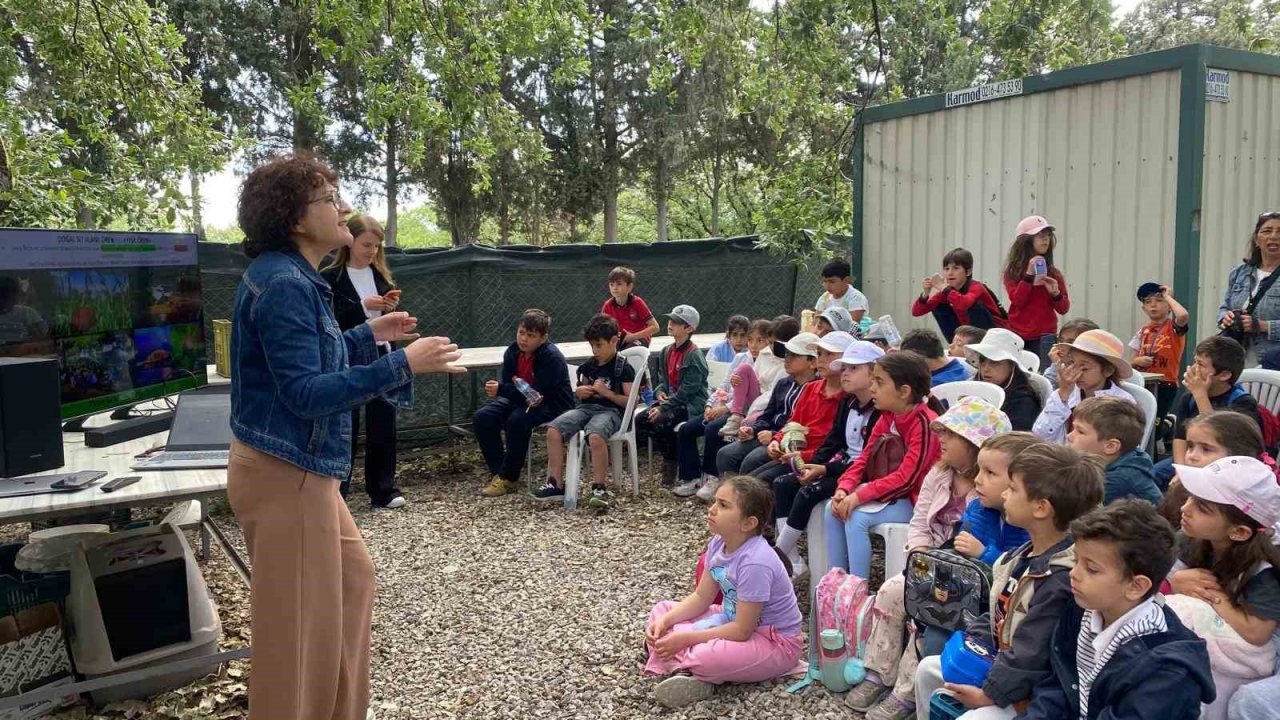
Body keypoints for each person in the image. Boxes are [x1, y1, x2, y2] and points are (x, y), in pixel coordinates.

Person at [227, 154, 464, 720]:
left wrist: (369, 333)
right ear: (293, 217)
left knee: (353, 582)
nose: (343, 206)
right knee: (297, 636)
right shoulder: (283, 283)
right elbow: (306, 393)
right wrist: (402, 363)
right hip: (288, 476)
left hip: (302, 471)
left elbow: (316, 360)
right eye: (328, 197)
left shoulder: (293, 277)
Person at [850, 431, 1037, 720]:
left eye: (990, 473)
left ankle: (907, 692)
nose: (978, 480)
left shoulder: (1025, 524)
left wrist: (984, 553)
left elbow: (1011, 570)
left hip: (984, 601)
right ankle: (878, 671)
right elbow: (956, 550)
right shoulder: (980, 506)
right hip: (956, 580)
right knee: (892, 591)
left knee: (932, 614)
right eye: (980, 471)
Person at [914, 443, 1104, 720]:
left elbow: (1031, 653)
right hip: (1005, 667)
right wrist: (970, 645)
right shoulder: (1020, 556)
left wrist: (988, 695)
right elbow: (995, 615)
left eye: (1013, 489)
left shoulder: (1060, 578)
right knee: (930, 669)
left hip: (1037, 693)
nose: (1005, 494)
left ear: (1041, 508)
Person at [1019, 500, 1213, 720]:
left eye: (1091, 569)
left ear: (1135, 586)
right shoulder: (1082, 608)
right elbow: (1059, 685)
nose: (1074, 573)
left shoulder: (1166, 672)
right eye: (1076, 560)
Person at [644, 476, 805, 708]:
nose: (711, 510)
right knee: (662, 610)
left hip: (773, 641)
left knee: (708, 656)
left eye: (723, 505)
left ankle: (681, 661)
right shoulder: (718, 543)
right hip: (730, 618)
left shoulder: (756, 562)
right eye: (715, 502)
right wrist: (666, 621)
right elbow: (701, 597)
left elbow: (742, 630)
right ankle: (684, 663)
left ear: (748, 523)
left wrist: (685, 637)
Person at [1168, 456, 1280, 719]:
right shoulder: (1192, 539)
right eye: (1190, 497)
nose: (1185, 508)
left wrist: (1211, 595)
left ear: (1239, 532)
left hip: (1254, 661)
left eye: (1203, 507)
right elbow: (1163, 579)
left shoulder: (1263, 569)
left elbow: (1257, 633)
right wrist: (1174, 582)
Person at [827, 351, 944, 578]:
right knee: (831, 509)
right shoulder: (887, 415)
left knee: (856, 517)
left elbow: (907, 478)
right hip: (892, 493)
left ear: (904, 392)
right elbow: (863, 459)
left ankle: (856, 589)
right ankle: (834, 581)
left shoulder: (925, 424)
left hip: (917, 501)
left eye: (879, 382)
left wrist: (859, 497)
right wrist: (844, 488)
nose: (872, 388)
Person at [773, 340, 883, 578]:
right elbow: (833, 441)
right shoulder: (848, 401)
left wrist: (824, 469)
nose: (845, 374)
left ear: (874, 371)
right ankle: (792, 560)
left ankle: (778, 555)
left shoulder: (881, 409)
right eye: (844, 368)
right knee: (783, 483)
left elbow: (868, 461)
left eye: (854, 368)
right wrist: (810, 464)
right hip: (839, 465)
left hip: (860, 473)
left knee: (809, 491)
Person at [320, 214, 408, 508]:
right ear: (350, 241)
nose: (372, 251)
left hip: (381, 354)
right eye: (367, 244)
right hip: (347, 357)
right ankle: (338, 493)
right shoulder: (330, 278)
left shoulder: (380, 276)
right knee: (345, 427)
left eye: (377, 246)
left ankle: (383, 489)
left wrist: (389, 309)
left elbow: (383, 322)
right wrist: (361, 307)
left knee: (383, 423)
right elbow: (328, 324)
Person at [535, 314, 636, 506]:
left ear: (614, 341)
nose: (595, 350)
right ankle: (555, 483)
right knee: (553, 430)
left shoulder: (623, 368)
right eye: (592, 345)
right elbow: (582, 392)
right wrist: (580, 391)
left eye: (599, 345)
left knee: (595, 436)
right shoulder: (589, 366)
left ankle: (599, 487)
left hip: (611, 412)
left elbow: (630, 401)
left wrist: (607, 393)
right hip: (585, 408)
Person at [473, 308, 573, 498]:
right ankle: (500, 471)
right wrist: (503, 390)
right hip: (521, 400)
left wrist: (501, 389)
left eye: (531, 335)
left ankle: (508, 476)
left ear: (543, 338)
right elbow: (512, 388)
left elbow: (536, 395)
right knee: (483, 417)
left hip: (552, 405)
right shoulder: (512, 352)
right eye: (521, 333)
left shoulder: (551, 357)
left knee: (517, 420)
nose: (524, 339)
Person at [674, 318, 773, 497]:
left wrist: (725, 409)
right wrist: (709, 404)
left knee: (713, 429)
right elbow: (724, 386)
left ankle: (713, 478)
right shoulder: (740, 357)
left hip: (744, 412)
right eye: (751, 340)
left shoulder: (768, 363)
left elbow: (756, 398)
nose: (754, 345)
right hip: (722, 405)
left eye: (760, 340)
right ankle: (692, 478)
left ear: (769, 342)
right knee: (687, 429)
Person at [1154, 336, 1261, 490]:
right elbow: (1180, 438)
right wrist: (1180, 470)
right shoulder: (1188, 399)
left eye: (1201, 364)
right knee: (1154, 475)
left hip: (1225, 467)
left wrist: (1200, 395)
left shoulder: (1242, 402)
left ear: (1224, 375)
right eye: (1195, 362)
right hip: (1190, 457)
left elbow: (1218, 438)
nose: (1192, 369)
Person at [747, 332, 852, 487]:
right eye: (819, 353)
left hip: (815, 460)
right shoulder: (810, 388)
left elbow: (833, 444)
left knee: (768, 482)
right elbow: (793, 422)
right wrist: (777, 441)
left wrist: (801, 454)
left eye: (828, 354)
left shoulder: (848, 398)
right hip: (792, 452)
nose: (821, 359)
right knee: (750, 480)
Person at [716, 332, 818, 480]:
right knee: (725, 454)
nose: (787, 359)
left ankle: (747, 500)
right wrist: (753, 429)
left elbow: (804, 426)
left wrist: (774, 435)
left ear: (812, 362)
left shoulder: (816, 389)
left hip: (787, 441)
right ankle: (730, 495)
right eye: (787, 354)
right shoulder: (784, 383)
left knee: (751, 461)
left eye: (794, 355)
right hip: (766, 434)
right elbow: (768, 414)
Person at [1158, 411, 1270, 528]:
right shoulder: (1180, 490)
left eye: (1206, 449)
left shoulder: (1243, 505)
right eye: (1190, 446)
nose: (1192, 456)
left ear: (1237, 458)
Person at [639, 305, 709, 485]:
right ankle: (671, 457)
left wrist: (663, 407)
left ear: (689, 329)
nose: (670, 324)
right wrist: (660, 392)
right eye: (671, 320)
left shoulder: (694, 356)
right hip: (672, 401)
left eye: (677, 322)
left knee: (663, 420)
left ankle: (671, 462)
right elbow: (664, 380)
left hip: (692, 405)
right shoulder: (666, 351)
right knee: (642, 420)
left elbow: (688, 392)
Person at [1032, 329, 1135, 444]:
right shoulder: (1067, 393)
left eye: (1084, 368)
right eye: (1071, 363)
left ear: (1108, 370)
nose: (1076, 373)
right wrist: (1063, 393)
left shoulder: (1121, 403)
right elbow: (1040, 435)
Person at [1003, 215, 1071, 369]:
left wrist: (1055, 293)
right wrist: (1028, 274)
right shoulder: (1012, 272)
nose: (1045, 239)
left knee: (1046, 376)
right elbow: (1018, 301)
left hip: (1045, 336)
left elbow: (1064, 308)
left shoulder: (1053, 273)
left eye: (1047, 235)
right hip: (1017, 336)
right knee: (1020, 375)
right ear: (1025, 241)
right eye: (1039, 236)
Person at [1067, 396, 1161, 505]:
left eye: (1080, 431)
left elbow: (1071, 513)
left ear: (1111, 446)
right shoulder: (1121, 460)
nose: (1069, 436)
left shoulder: (1117, 481)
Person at [1219, 211, 1280, 364]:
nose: (1273, 236)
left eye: (1279, 232)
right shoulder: (1240, 272)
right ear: (1256, 240)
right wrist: (1225, 318)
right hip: (1236, 359)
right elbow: (1224, 308)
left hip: (1273, 362)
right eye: (1267, 231)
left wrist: (1263, 326)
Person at [912, 248, 1006, 341]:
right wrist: (925, 293)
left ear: (968, 272)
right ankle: (956, 344)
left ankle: (979, 347)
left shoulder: (976, 287)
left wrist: (943, 287)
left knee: (974, 305)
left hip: (995, 335)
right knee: (938, 306)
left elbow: (964, 303)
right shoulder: (946, 292)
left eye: (956, 268)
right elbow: (916, 312)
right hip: (969, 333)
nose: (950, 273)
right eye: (946, 269)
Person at [1128, 282, 1190, 417]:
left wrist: (1168, 297)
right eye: (1148, 302)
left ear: (1169, 307)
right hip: (1144, 382)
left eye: (1159, 300)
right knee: (1142, 418)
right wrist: (1137, 361)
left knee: (1156, 420)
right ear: (1144, 308)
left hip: (1166, 383)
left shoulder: (1173, 328)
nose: (1153, 305)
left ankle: (1166, 425)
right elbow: (1130, 361)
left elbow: (1183, 316)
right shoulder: (1142, 332)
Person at [963, 328, 1043, 431]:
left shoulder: (1023, 402)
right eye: (982, 361)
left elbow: (1013, 441)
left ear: (1012, 366)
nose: (985, 368)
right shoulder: (972, 389)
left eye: (994, 362)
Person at [600, 266, 660, 348]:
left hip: (638, 339)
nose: (615, 288)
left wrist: (633, 336)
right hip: (618, 340)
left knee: (631, 352)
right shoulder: (607, 305)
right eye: (611, 284)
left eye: (619, 284)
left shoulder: (637, 302)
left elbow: (655, 327)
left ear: (629, 287)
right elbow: (602, 328)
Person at [900, 328, 970, 386]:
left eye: (908, 360)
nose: (908, 365)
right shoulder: (960, 367)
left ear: (918, 357)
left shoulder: (933, 384)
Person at [1043, 318, 1098, 389]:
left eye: (1071, 342)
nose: (1061, 346)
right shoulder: (1062, 363)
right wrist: (1057, 365)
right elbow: (1046, 391)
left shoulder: (1090, 372)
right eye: (1060, 340)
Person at [815, 257, 869, 325]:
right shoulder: (825, 297)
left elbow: (851, 326)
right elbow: (816, 323)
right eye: (824, 281)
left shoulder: (856, 298)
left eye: (832, 281)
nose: (827, 286)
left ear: (846, 280)